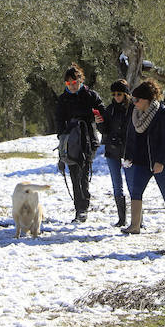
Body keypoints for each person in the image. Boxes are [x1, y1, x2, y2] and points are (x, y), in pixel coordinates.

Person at [121, 79, 165, 234]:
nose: (135, 102)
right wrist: (128, 156)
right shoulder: (134, 113)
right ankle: (134, 225)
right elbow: (131, 136)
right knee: (136, 190)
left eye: (137, 100)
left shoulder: (164, 112)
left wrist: (160, 161)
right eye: (133, 99)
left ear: (147, 99)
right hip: (140, 159)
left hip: (161, 159)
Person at [54, 63, 107, 223]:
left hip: (88, 140)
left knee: (83, 173)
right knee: (74, 174)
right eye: (69, 83)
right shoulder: (63, 99)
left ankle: (83, 207)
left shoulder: (90, 95)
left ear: (80, 80)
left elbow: (101, 111)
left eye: (75, 82)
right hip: (70, 141)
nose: (72, 86)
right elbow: (58, 120)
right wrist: (62, 137)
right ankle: (79, 208)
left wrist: (97, 117)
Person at [103, 79, 132, 227]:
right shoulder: (110, 109)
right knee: (117, 184)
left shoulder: (133, 109)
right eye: (114, 94)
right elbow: (105, 131)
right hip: (112, 149)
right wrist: (100, 123)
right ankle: (122, 219)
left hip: (129, 151)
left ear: (126, 94)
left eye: (119, 93)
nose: (116, 96)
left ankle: (137, 218)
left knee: (133, 185)